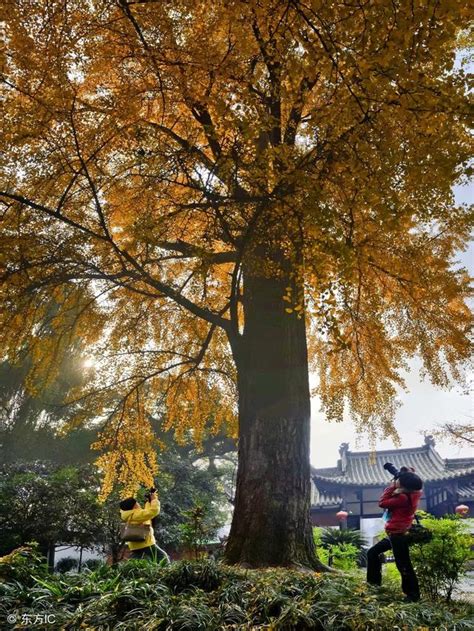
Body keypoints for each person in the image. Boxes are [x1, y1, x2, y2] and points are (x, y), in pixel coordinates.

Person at [366, 466, 423, 602]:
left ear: (404, 485)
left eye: (400, 480)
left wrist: (391, 486)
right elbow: (412, 479)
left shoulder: (404, 497)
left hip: (398, 534)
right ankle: (374, 585)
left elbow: (382, 503)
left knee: (403, 564)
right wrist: (404, 474)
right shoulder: (413, 492)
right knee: (372, 553)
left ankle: (412, 595)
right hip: (397, 532)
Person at [119, 490, 170, 563]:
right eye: (137, 503)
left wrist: (149, 501)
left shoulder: (129, 514)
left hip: (134, 545)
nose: (138, 504)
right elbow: (153, 511)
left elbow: (146, 512)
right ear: (134, 506)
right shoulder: (136, 514)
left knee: (135, 562)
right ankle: (167, 572)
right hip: (145, 543)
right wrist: (154, 500)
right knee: (162, 557)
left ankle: (128, 571)